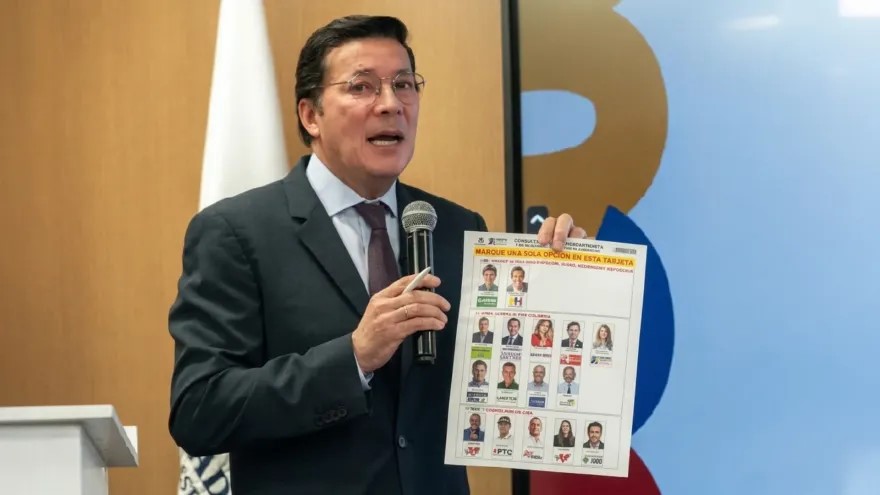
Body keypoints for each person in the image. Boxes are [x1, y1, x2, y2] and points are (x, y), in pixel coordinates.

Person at [167, 15, 586, 495]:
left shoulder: (456, 227)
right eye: (362, 87)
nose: (391, 104)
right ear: (310, 115)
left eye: (403, 84)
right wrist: (354, 357)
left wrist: (562, 285)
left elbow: (499, 387)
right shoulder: (236, 233)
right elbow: (199, 410)